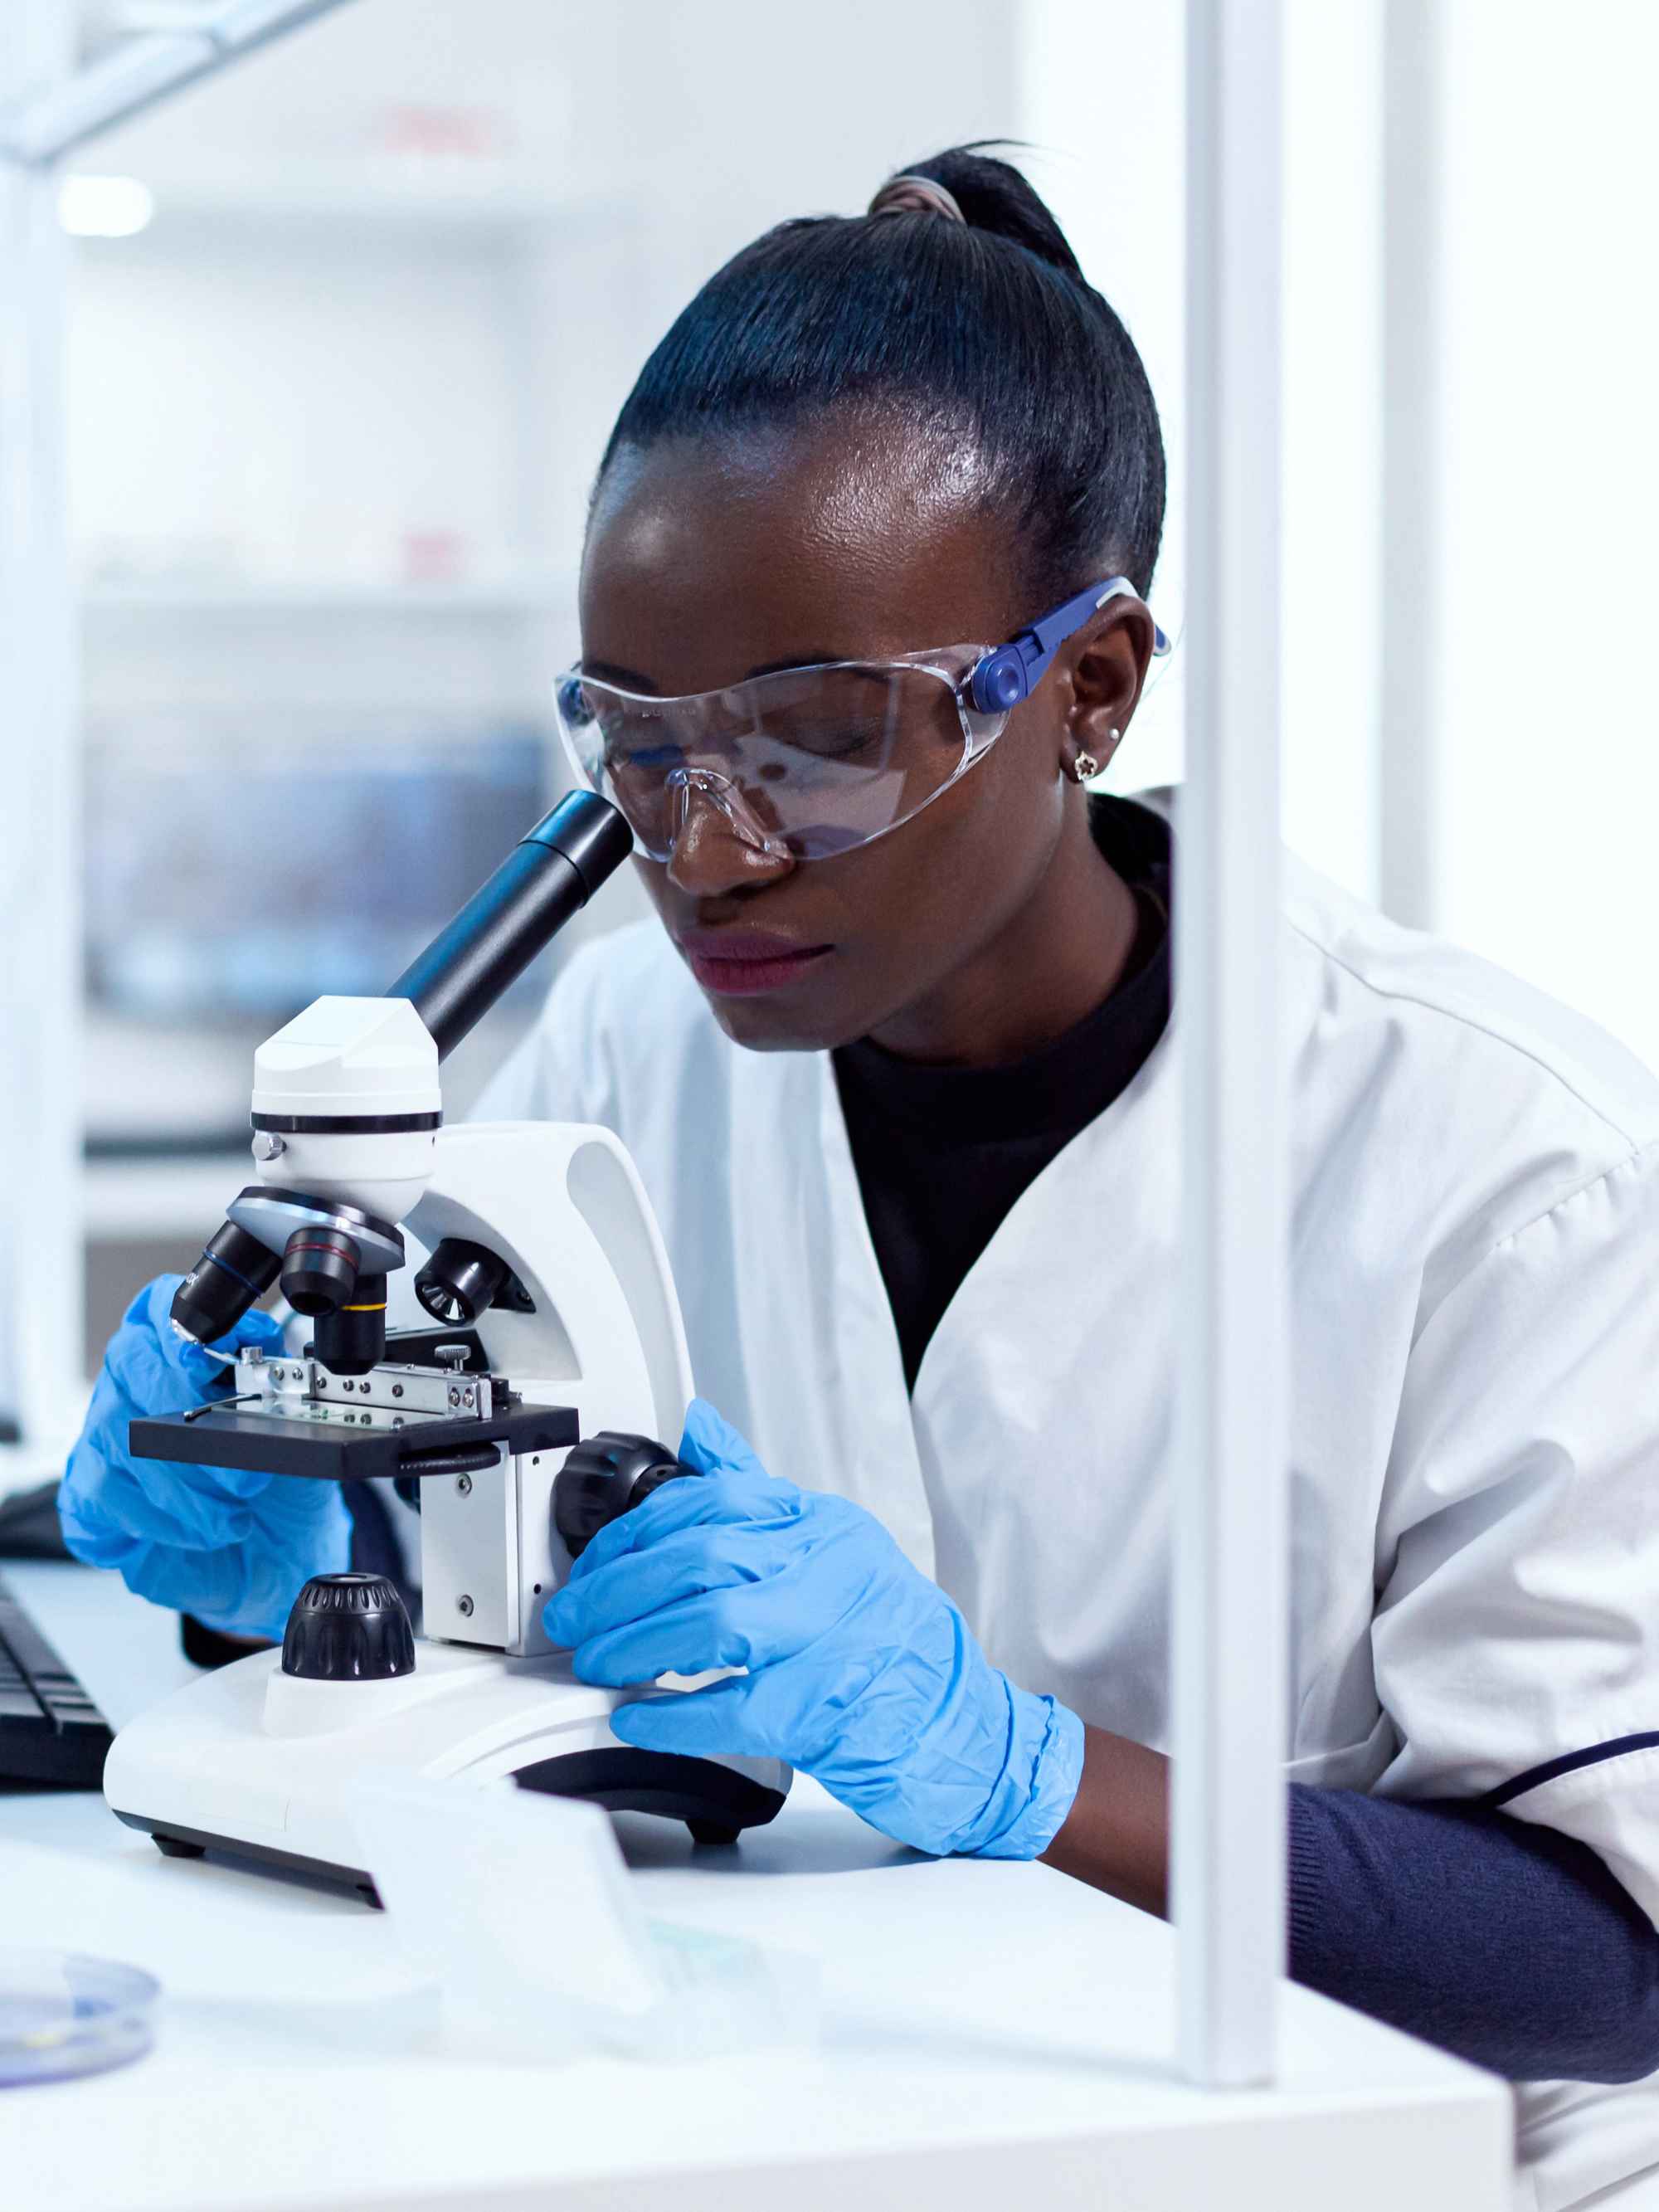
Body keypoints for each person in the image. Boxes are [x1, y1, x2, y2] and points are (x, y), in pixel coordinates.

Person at [61, 148, 1659, 2208]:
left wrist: (1020, 1767)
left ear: (1085, 686)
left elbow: (1606, 1962)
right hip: (850, 2102)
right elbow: (534, 1609)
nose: (706, 849)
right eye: (639, 745)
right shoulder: (627, 1048)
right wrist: (304, 1543)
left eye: (818, 739)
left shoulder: (1497, 1162)